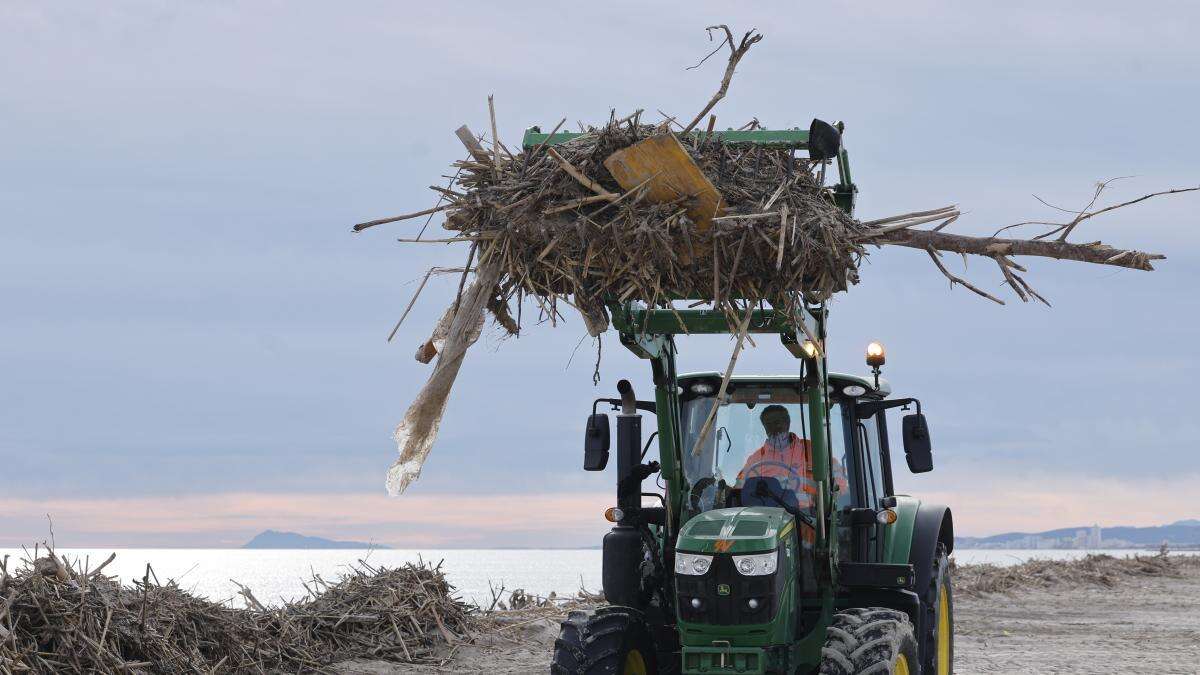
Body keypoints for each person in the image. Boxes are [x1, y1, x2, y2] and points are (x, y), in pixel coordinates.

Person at [736, 404, 849, 511]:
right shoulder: (754, 460)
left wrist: (829, 496)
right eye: (768, 424)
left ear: (787, 424)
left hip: (809, 520)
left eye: (777, 422)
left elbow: (840, 484)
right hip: (769, 520)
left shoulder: (813, 452)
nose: (774, 428)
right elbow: (740, 490)